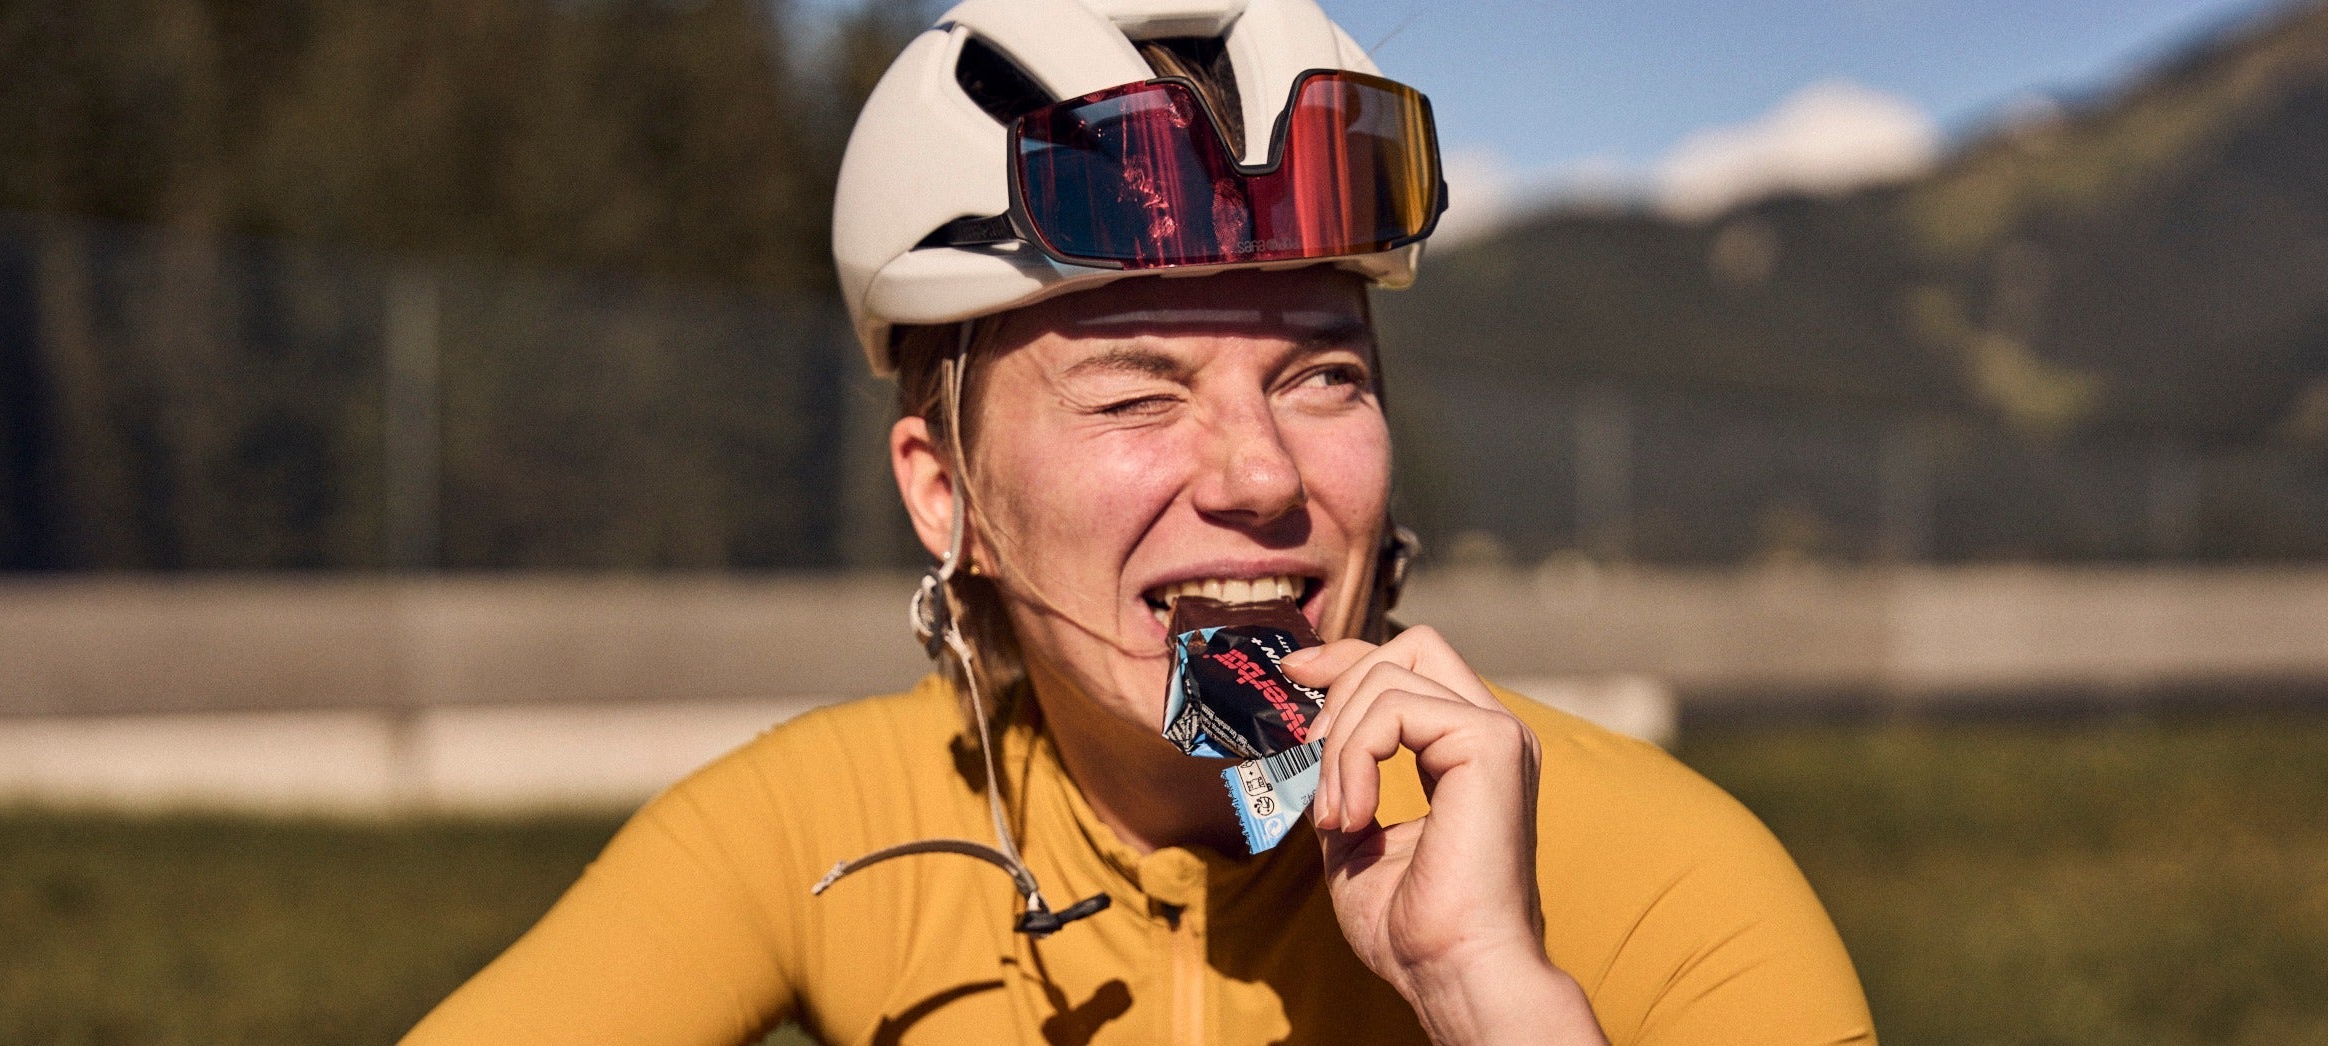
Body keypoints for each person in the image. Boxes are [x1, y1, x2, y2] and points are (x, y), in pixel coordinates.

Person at [404, 1, 1876, 1042]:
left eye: (1321, 374)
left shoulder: (1672, 879)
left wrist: (1493, 994)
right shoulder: (825, 828)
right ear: (946, 493)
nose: (1258, 476)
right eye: (1136, 395)